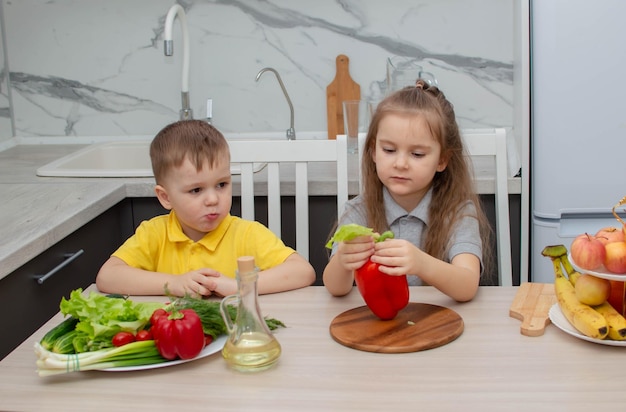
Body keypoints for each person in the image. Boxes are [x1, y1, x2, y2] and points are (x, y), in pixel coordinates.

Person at [96, 120, 315, 297]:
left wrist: (240, 286)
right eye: (196, 190)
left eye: (221, 185)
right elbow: (107, 277)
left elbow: (302, 272)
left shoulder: (247, 234)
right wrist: (173, 283)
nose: (212, 199)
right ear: (165, 197)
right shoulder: (153, 234)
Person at [323, 80, 492, 302]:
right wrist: (343, 261)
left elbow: (468, 285)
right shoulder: (358, 212)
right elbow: (336, 288)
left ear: (442, 160)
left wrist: (421, 263)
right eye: (389, 150)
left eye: (417, 154)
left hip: (437, 324)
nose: (401, 163)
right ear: (373, 151)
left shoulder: (459, 212)